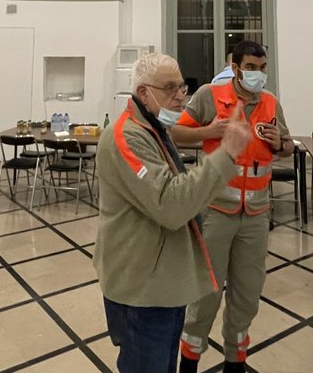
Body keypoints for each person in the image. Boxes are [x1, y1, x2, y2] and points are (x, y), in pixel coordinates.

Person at [94, 53, 252, 373]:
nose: (181, 96)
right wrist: (226, 153)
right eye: (170, 89)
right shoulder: (127, 135)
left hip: (163, 281)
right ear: (143, 93)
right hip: (142, 289)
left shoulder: (152, 126)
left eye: (182, 87)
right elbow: (171, 205)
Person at [170, 40, 293, 373]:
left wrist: (279, 143)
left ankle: (235, 359)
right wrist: (210, 131)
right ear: (236, 68)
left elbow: (289, 145)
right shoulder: (211, 95)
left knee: (247, 293)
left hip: (256, 215)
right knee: (207, 290)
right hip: (216, 212)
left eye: (263, 68)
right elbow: (174, 132)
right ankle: (190, 358)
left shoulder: (270, 103)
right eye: (251, 68)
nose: (258, 74)